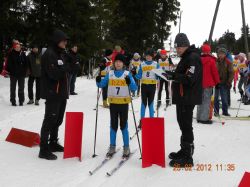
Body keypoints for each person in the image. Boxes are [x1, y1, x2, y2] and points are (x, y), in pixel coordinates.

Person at [163, 33, 202, 167]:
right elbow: (183, 74)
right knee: (182, 123)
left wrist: (174, 75)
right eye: (177, 47)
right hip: (182, 97)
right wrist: (172, 75)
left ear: (186, 45)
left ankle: (187, 157)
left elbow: (190, 79)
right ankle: (184, 149)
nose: (178, 49)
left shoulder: (193, 58)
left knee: (186, 124)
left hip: (187, 97)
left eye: (180, 47)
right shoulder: (186, 57)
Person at [96, 54, 137, 158]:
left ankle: (126, 147)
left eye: (120, 62)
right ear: (114, 63)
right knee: (113, 126)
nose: (118, 63)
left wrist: (129, 82)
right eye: (116, 61)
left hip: (123, 104)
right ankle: (112, 146)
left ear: (123, 64)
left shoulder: (127, 74)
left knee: (124, 126)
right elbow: (102, 85)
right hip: (113, 104)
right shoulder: (110, 74)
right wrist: (98, 81)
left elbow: (134, 88)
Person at [39, 30, 69, 160]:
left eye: (66, 41)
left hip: (61, 92)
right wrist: (65, 68)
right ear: (57, 40)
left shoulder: (60, 53)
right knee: (49, 120)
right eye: (64, 41)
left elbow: (65, 69)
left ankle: (53, 143)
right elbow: (54, 74)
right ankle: (43, 149)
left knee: (58, 120)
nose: (65, 43)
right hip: (52, 92)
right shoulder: (49, 54)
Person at [196, 44, 220, 124]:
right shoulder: (211, 60)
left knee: (199, 100)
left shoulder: (198, 59)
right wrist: (217, 83)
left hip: (199, 84)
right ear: (209, 51)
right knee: (206, 101)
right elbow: (215, 73)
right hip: (208, 84)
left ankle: (199, 117)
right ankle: (204, 118)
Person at [135, 49, 159, 124]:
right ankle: (142, 121)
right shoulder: (142, 64)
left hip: (152, 86)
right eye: (147, 56)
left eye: (150, 56)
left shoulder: (156, 64)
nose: (148, 57)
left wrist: (159, 76)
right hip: (144, 86)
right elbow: (139, 76)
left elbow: (159, 75)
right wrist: (134, 74)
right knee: (143, 104)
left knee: (151, 104)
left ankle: (151, 120)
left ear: (152, 56)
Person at [6, 40, 28, 106]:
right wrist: (12, 71)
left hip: (21, 75)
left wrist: (24, 71)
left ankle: (21, 101)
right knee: (13, 88)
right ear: (14, 47)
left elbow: (26, 64)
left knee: (21, 88)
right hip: (13, 75)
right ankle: (13, 101)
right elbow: (9, 65)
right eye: (17, 47)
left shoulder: (23, 54)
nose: (18, 48)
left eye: (19, 47)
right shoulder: (11, 54)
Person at [214, 46, 234, 117]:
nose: (221, 55)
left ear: (225, 54)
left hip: (224, 83)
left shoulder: (228, 62)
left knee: (224, 98)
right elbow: (213, 72)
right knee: (215, 98)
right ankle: (216, 112)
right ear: (218, 54)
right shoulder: (215, 61)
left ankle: (225, 112)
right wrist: (215, 81)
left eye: (222, 53)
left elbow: (231, 73)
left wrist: (229, 82)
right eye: (220, 53)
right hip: (216, 83)